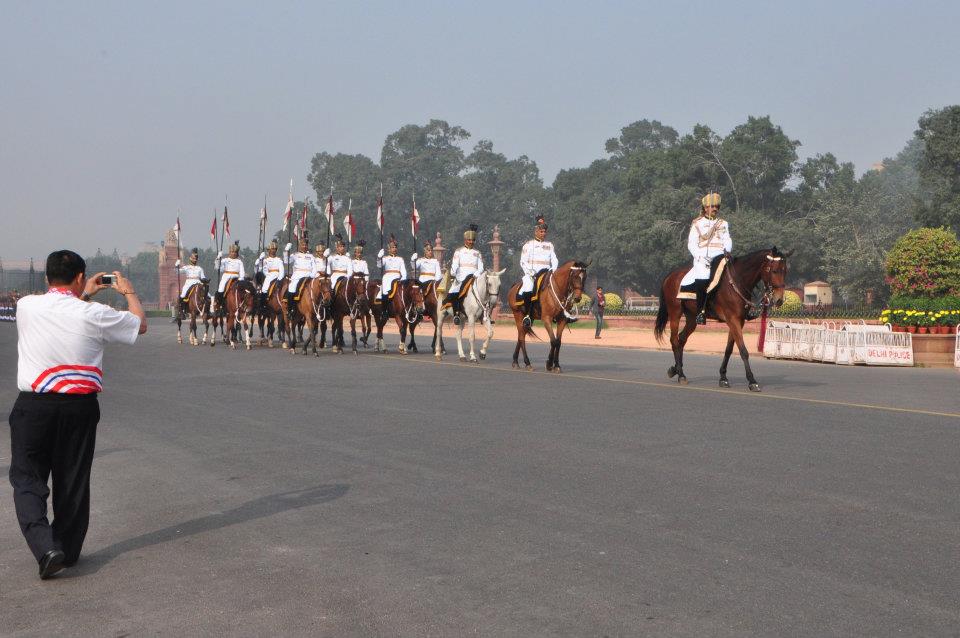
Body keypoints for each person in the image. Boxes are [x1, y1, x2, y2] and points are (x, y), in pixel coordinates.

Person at [8, 250, 146, 579]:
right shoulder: (95, 314)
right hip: (79, 408)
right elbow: (139, 325)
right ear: (80, 277)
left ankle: (45, 546)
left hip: (34, 406)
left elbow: (59, 307)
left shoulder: (26, 306)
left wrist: (83, 293)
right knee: (72, 481)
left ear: (46, 278)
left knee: (28, 480)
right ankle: (66, 551)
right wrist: (127, 290)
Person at [679, 192, 732, 325]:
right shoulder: (697, 223)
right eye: (712, 206)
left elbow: (727, 239)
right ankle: (700, 312)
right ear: (705, 208)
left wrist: (728, 250)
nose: (715, 209)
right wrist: (699, 256)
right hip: (702, 257)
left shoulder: (723, 223)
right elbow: (691, 243)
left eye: (717, 206)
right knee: (703, 277)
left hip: (720, 254)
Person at [518, 216, 559, 327]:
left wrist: (554, 269)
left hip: (547, 273)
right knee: (528, 287)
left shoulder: (549, 245)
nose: (543, 233)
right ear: (536, 231)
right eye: (541, 231)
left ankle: (561, 313)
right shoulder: (528, 245)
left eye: (544, 231)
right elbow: (523, 261)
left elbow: (554, 259)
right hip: (532, 274)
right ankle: (527, 315)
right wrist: (529, 271)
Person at [445, 224, 484, 325]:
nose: (471, 242)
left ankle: (484, 314)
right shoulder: (459, 251)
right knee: (454, 290)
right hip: (461, 276)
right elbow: (455, 264)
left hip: (474, 276)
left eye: (473, 240)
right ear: (465, 240)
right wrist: (453, 273)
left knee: (485, 290)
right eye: (469, 240)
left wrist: (476, 273)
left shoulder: (478, 253)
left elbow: (481, 267)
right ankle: (456, 313)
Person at [284, 235, 318, 315]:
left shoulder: (311, 256)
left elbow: (314, 268)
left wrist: (312, 275)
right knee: (292, 287)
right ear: (299, 246)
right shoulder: (295, 255)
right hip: (298, 275)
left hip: (309, 276)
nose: (304, 246)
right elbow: (286, 261)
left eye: (306, 245)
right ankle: (291, 308)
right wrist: (286, 251)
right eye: (302, 245)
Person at [376, 236, 407, 320]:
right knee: (385, 292)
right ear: (389, 249)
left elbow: (403, 270)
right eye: (392, 247)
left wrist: (404, 278)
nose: (394, 249)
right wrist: (379, 257)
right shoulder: (385, 258)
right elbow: (379, 265)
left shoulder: (400, 259)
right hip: (388, 277)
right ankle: (384, 311)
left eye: (395, 247)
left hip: (397, 277)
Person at [213, 242, 245, 314]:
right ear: (229, 252)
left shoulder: (239, 261)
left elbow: (242, 272)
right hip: (227, 276)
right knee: (221, 289)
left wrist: (241, 279)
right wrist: (218, 258)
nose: (234, 253)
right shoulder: (225, 260)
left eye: (235, 252)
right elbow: (217, 267)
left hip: (236, 277)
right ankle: (220, 305)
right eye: (232, 252)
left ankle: (244, 305)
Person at [253, 241, 285, 310]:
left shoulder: (279, 259)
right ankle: (263, 305)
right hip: (269, 276)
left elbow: (282, 270)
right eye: (272, 249)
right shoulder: (266, 260)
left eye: (274, 249)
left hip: (278, 275)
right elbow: (262, 270)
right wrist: (260, 260)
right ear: (269, 250)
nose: (273, 251)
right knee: (264, 289)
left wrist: (280, 278)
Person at [174, 250, 205, 318]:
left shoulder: (199, 268)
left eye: (196, 259)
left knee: (207, 295)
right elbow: (177, 272)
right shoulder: (186, 267)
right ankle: (181, 310)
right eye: (193, 258)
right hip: (189, 282)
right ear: (190, 258)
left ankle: (207, 311)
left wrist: (205, 282)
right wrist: (176, 265)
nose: (195, 260)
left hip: (198, 282)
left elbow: (203, 278)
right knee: (183, 295)